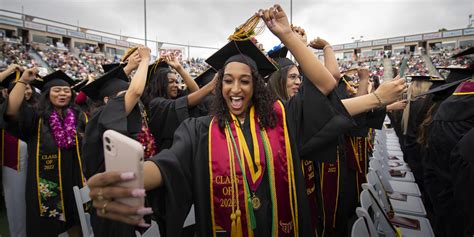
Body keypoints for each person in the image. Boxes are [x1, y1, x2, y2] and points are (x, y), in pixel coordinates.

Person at [1, 68, 88, 237]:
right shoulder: (36, 117)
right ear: (47, 94)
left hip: (74, 178)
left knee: (78, 220)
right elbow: (10, 111)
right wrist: (23, 81)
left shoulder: (78, 116)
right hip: (46, 184)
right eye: (56, 90)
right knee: (47, 227)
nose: (62, 94)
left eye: (66, 90)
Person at [82, 45, 153, 237]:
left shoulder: (105, 116)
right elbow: (135, 92)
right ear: (107, 100)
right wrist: (146, 59)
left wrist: (129, 67)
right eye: (123, 95)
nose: (128, 98)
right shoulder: (105, 114)